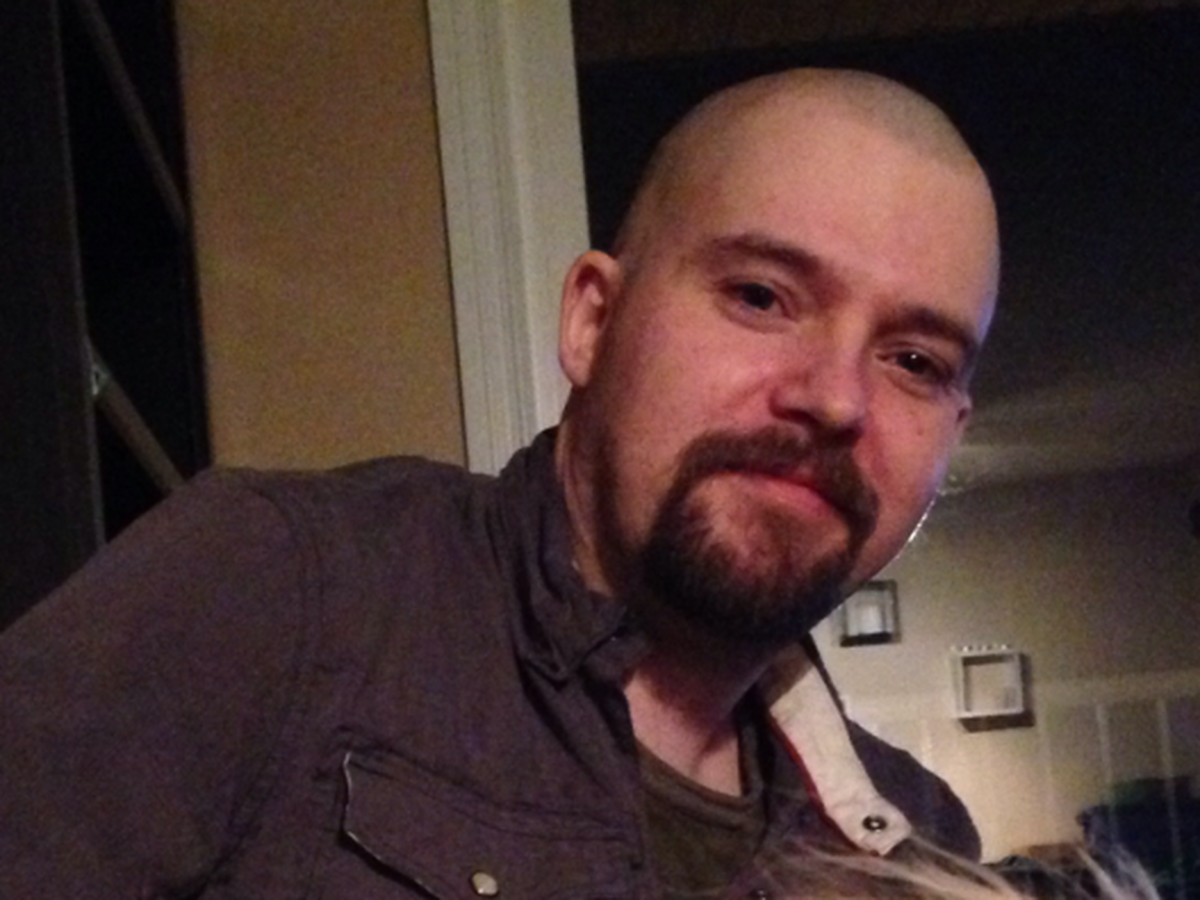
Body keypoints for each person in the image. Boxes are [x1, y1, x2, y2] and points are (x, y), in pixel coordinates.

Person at [0, 68, 1000, 898]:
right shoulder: (272, 593)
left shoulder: (923, 849)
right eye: (760, 295)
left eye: (915, 361)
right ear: (593, 322)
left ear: (951, 434)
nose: (835, 398)